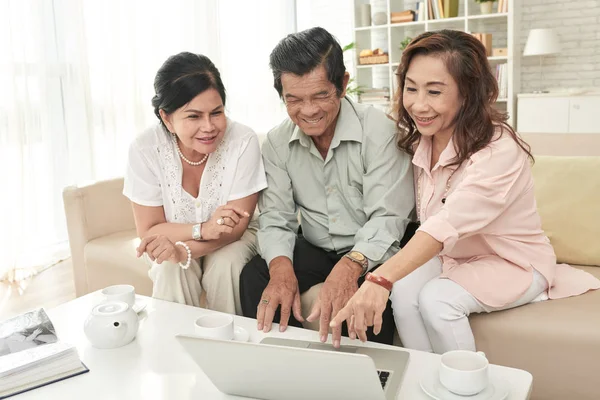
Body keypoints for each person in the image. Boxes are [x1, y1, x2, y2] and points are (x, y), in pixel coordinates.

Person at [331, 30, 600, 353]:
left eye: (434, 91)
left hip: (512, 263)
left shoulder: (499, 149)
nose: (419, 104)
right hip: (452, 257)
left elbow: (447, 223)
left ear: (467, 93)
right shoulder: (420, 141)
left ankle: (465, 385)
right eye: (411, 88)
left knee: (437, 299)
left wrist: (378, 279)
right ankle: (424, 378)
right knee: (403, 293)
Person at [239, 27, 415, 348]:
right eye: (293, 99)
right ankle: (277, 364)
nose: (308, 111)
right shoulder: (277, 142)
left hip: (373, 252)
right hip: (318, 247)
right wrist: (281, 270)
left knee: (369, 305)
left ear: (343, 84)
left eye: (320, 95)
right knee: (256, 275)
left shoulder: (380, 131)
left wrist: (349, 268)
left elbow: (387, 219)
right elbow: (276, 218)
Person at [123, 52, 267, 315]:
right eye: (193, 116)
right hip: (178, 237)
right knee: (168, 266)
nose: (209, 126)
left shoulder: (242, 141)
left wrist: (185, 250)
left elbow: (234, 229)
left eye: (217, 112)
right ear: (166, 118)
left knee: (228, 264)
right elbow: (150, 230)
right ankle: (174, 348)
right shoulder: (145, 149)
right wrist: (201, 231)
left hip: (236, 239)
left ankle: (230, 349)